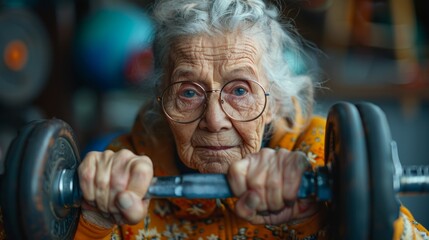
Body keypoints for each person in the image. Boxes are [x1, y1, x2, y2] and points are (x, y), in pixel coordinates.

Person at [74, 0, 428, 239]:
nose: (214, 121)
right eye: (189, 92)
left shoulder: (324, 154)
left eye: (240, 91)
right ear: (161, 98)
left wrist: (311, 220)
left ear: (274, 101)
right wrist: (93, 224)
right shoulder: (124, 170)